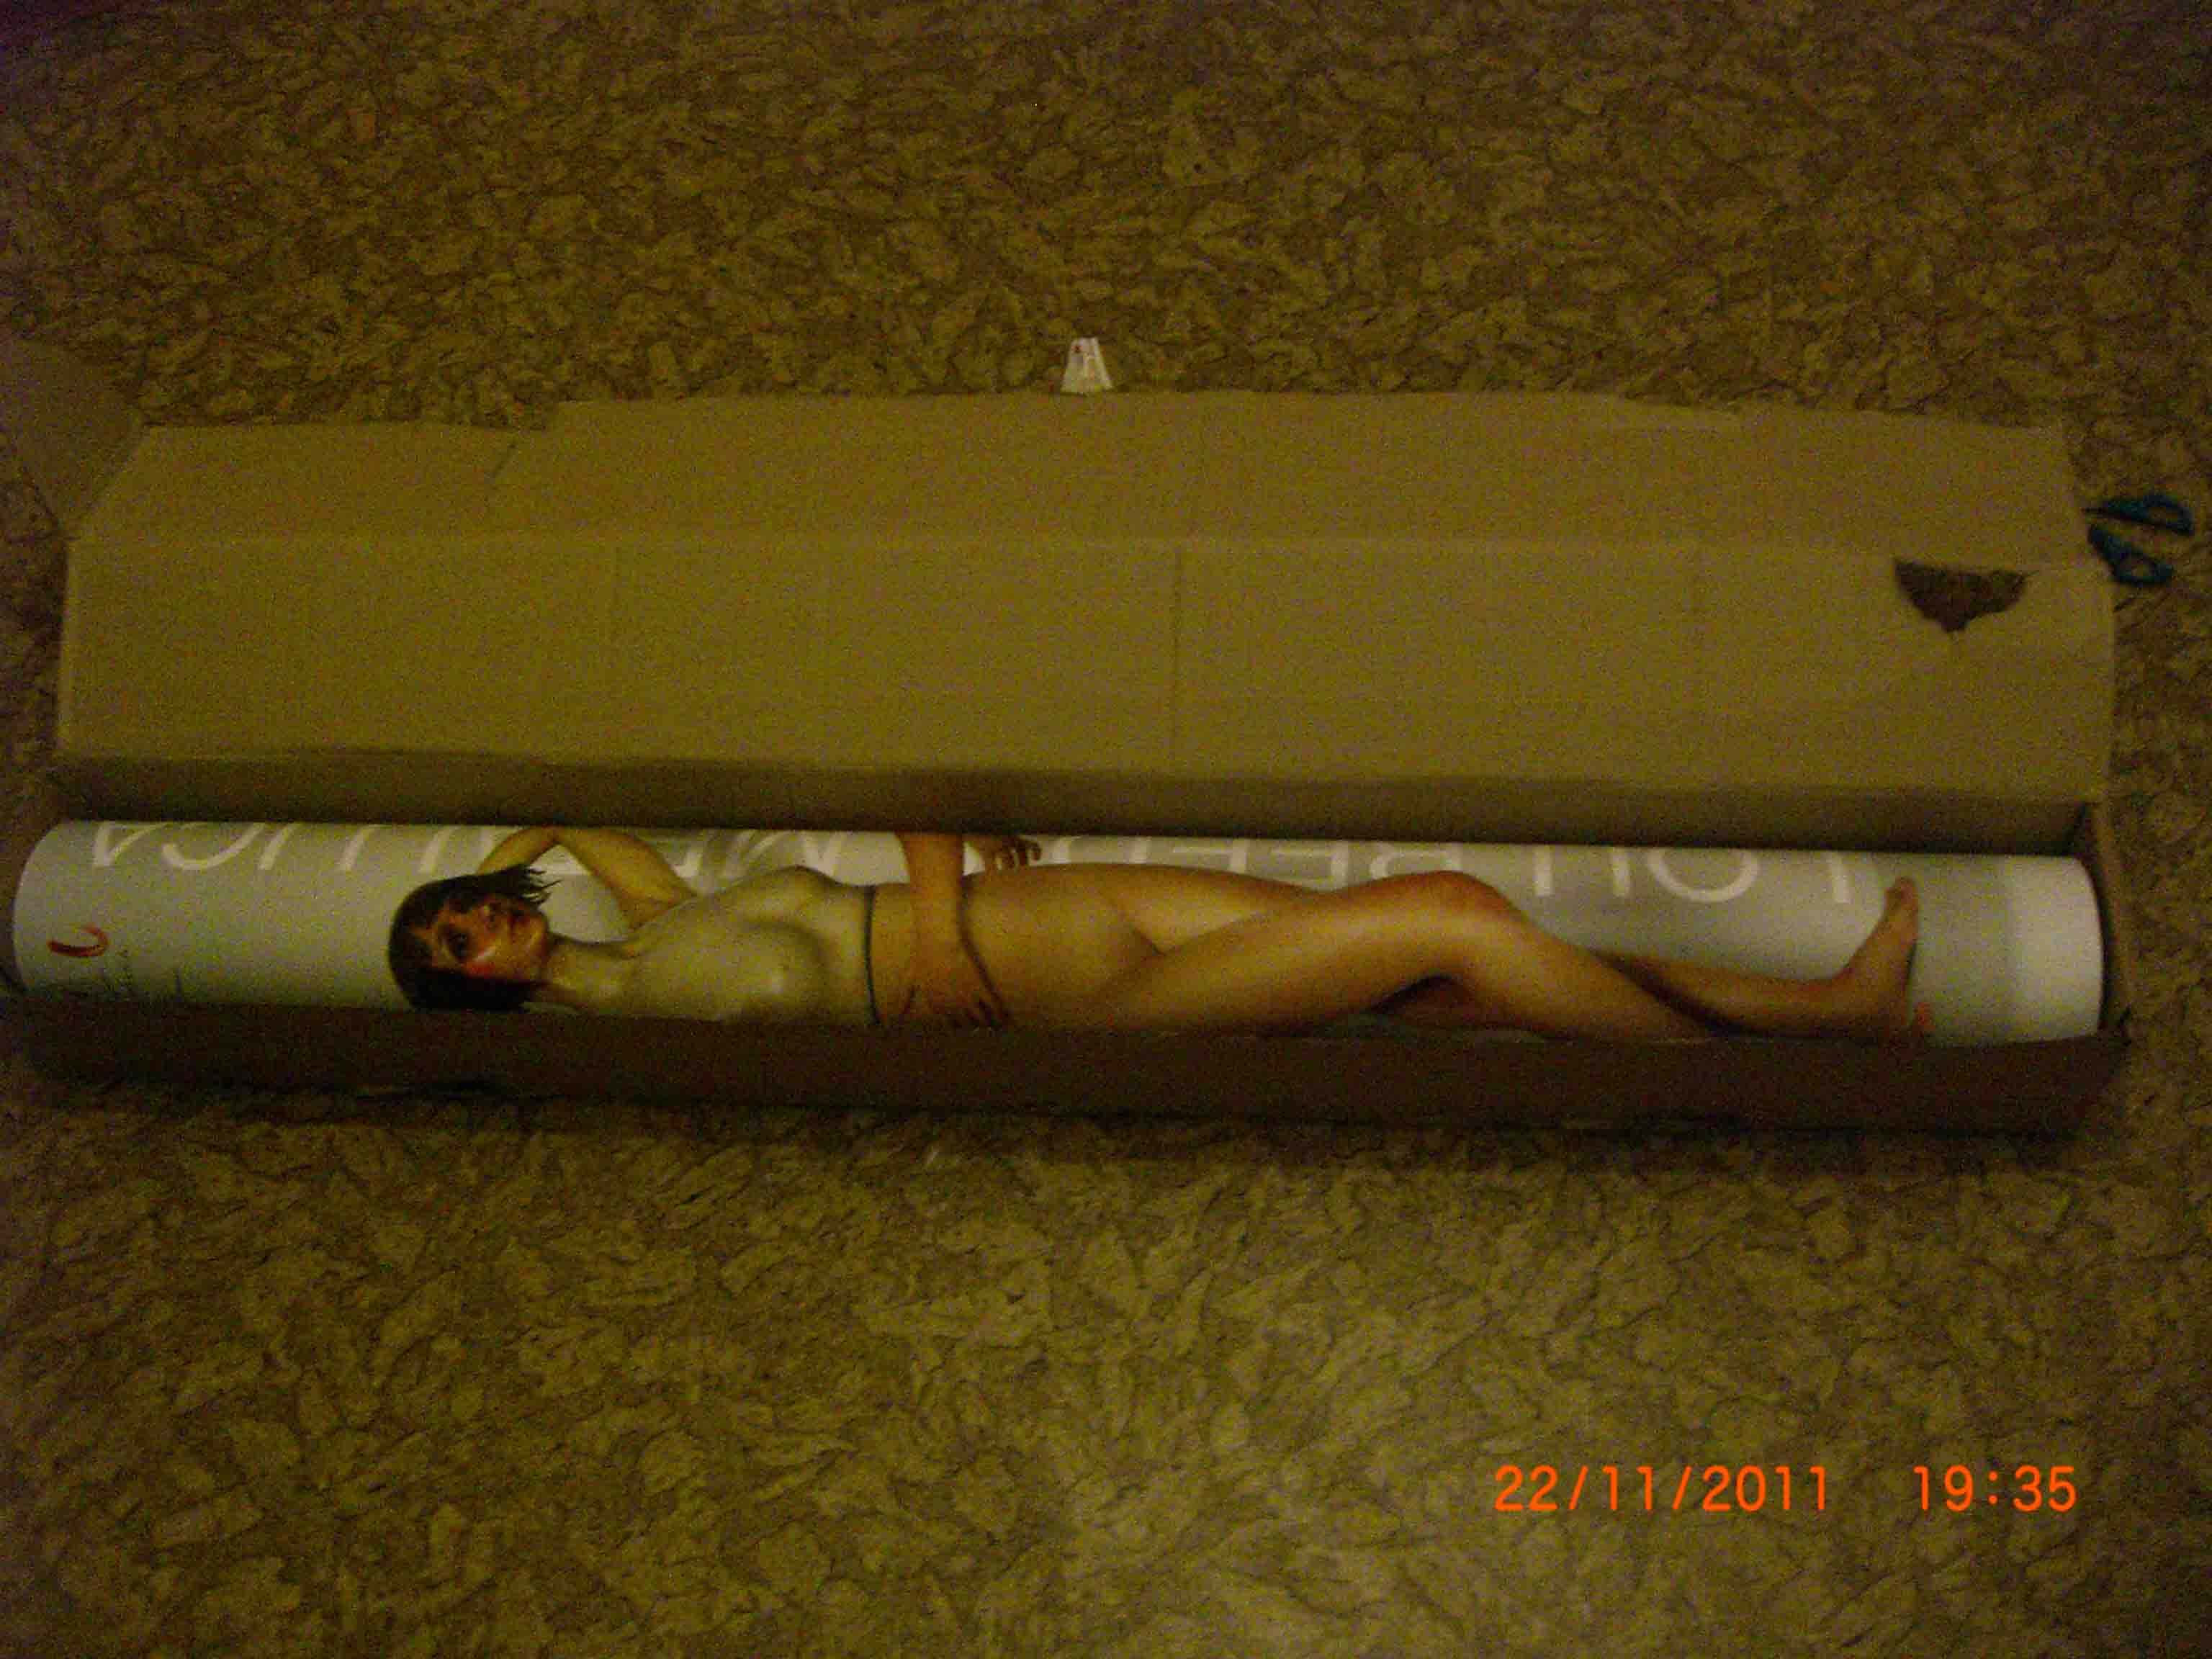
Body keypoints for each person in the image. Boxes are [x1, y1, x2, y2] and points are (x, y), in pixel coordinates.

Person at [387, 827, 1933, 1041]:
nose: (478, 929)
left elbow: (574, 810)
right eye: (455, 949)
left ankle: (1828, 1013)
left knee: (1465, 970)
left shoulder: (668, 913)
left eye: (466, 912)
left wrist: (499, 855)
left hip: (1067, 900)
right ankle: (1720, 1076)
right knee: (1454, 921)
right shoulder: (641, 1027)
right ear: (473, 994)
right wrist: (943, 965)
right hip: (1089, 991)